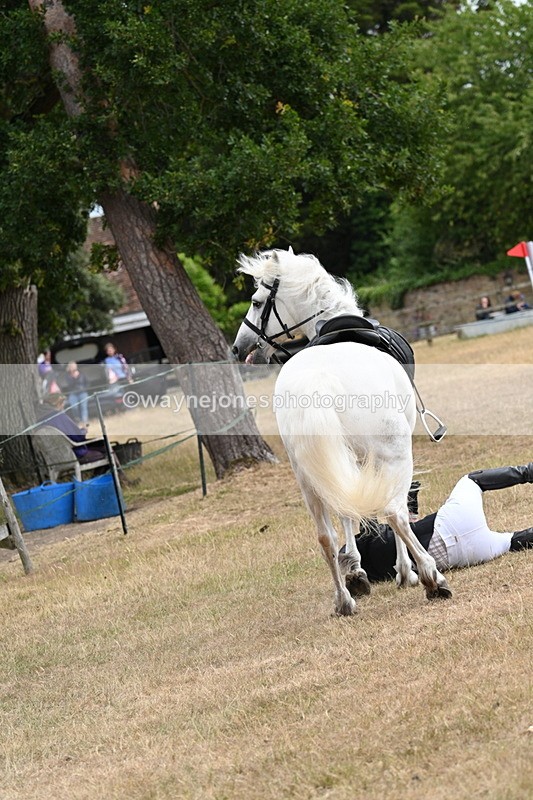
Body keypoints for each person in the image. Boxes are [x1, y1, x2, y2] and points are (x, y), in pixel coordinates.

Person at [341, 463, 533, 585]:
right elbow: (370, 521)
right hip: (451, 521)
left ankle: (411, 505)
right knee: (472, 480)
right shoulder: (373, 540)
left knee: (511, 542)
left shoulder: (379, 575)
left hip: (466, 553)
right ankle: (528, 472)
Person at [36, 392, 108, 464]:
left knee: (101, 446)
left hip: (55, 460)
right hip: (74, 455)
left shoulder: (39, 421)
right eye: (63, 403)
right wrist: (84, 430)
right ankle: (117, 471)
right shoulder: (60, 417)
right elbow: (78, 437)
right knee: (105, 447)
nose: (63, 406)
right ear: (58, 404)